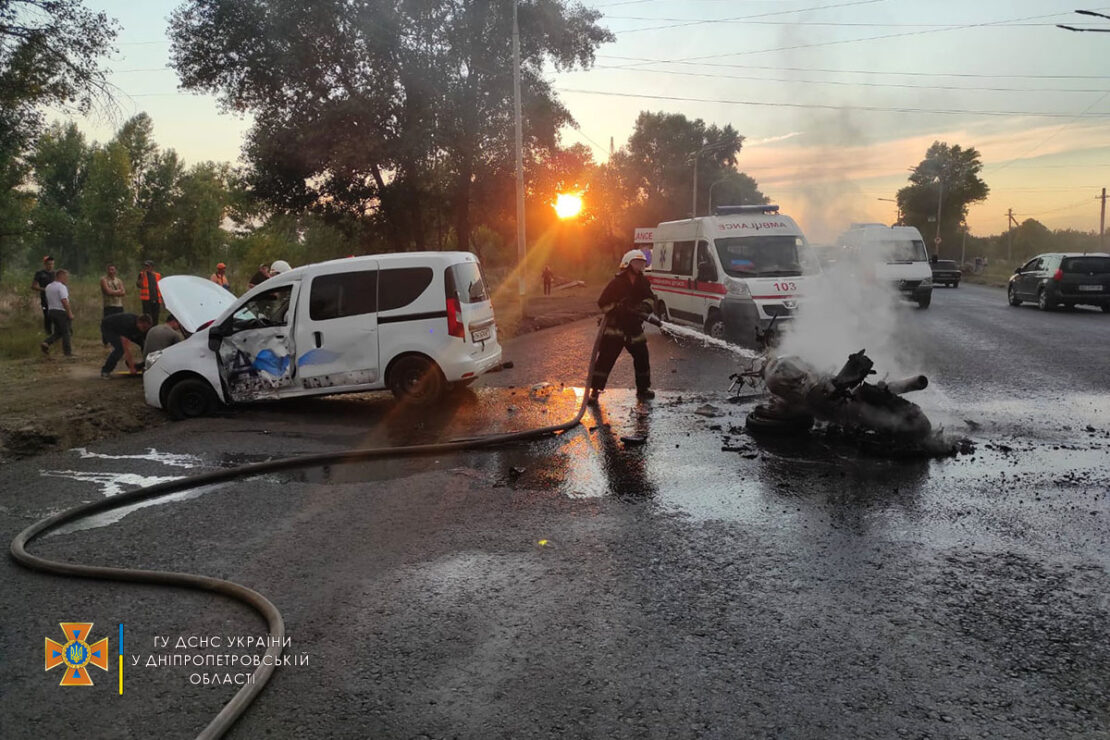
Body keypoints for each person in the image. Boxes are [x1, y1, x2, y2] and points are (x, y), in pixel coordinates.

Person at [589, 249, 658, 403]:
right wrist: (618, 308)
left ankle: (643, 389)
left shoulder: (643, 282)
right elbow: (603, 303)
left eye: (642, 263)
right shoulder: (617, 282)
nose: (640, 266)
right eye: (637, 262)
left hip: (634, 328)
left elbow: (650, 299)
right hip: (616, 330)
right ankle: (595, 391)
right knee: (605, 360)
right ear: (627, 264)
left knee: (642, 357)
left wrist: (643, 308)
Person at [100, 312, 153, 378]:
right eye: (144, 327)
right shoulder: (128, 324)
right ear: (139, 322)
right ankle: (105, 371)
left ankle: (145, 365)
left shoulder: (140, 327)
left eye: (147, 328)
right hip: (108, 326)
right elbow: (126, 348)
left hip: (123, 327)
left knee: (144, 345)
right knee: (120, 348)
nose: (144, 330)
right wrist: (131, 367)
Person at [40, 268, 74, 357]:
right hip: (60, 311)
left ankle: (46, 343)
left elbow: (48, 300)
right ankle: (67, 353)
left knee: (58, 332)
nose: (67, 279)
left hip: (51, 311)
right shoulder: (61, 287)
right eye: (66, 277)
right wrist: (69, 312)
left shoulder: (48, 287)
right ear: (61, 276)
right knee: (66, 332)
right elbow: (64, 300)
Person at [100, 264, 126, 344]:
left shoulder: (119, 280)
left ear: (115, 271)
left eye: (113, 270)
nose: (111, 271)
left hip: (119, 305)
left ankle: (118, 340)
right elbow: (107, 291)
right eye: (110, 270)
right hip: (109, 305)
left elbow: (123, 292)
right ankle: (106, 341)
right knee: (107, 323)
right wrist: (118, 292)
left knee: (119, 323)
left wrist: (114, 292)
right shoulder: (104, 280)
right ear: (107, 271)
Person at [31, 255, 56, 335]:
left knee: (55, 316)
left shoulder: (55, 274)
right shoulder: (40, 273)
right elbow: (33, 286)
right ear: (45, 264)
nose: (50, 266)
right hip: (45, 299)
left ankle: (57, 333)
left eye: (52, 264)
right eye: (49, 264)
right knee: (47, 316)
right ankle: (48, 333)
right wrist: (45, 289)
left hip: (55, 299)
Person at [136, 260, 162, 324]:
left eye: (148, 266)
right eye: (145, 266)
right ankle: (147, 331)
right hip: (146, 300)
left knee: (155, 317)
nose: (146, 267)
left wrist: (161, 298)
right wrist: (143, 276)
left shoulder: (158, 275)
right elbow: (139, 285)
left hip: (156, 299)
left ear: (152, 267)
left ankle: (154, 331)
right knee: (147, 318)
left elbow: (160, 288)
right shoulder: (141, 274)